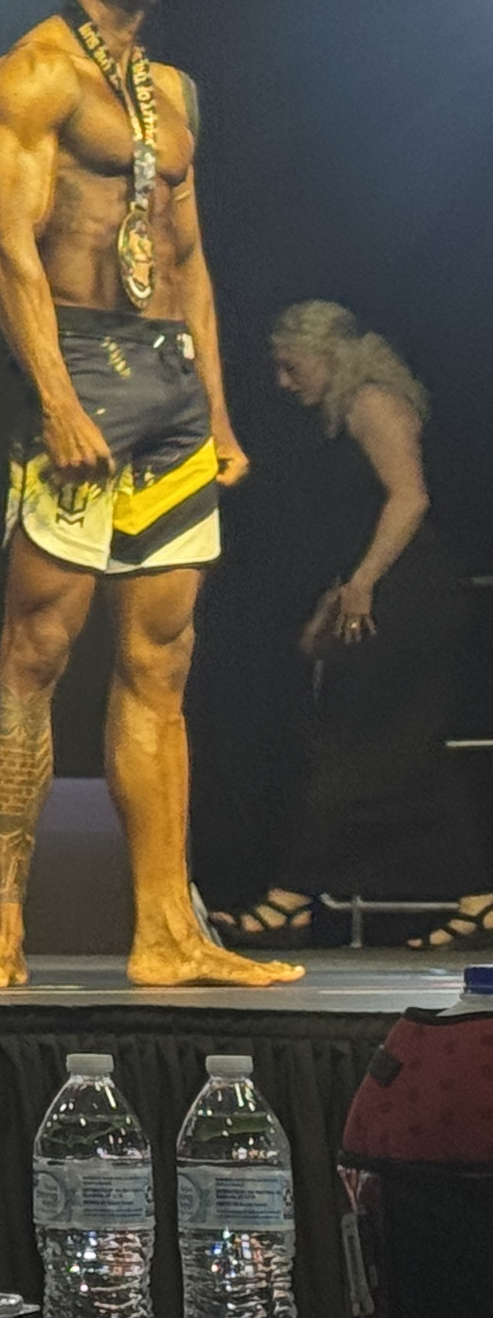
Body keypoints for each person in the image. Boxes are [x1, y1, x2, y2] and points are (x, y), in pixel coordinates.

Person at [0, 0, 292, 990]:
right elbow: (4, 249)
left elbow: (189, 260)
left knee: (159, 664)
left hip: (170, 388)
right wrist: (54, 399)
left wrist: (219, 412)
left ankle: (166, 931)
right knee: (36, 652)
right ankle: (2, 927)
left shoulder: (170, 90)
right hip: (81, 367)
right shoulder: (33, 75)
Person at [210, 303, 485, 949]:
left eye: (291, 366)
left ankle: (290, 898)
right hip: (380, 586)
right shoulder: (345, 412)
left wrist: (362, 584)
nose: (283, 382)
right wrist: (334, 602)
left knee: (358, 745)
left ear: (327, 354)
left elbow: (410, 497)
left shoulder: (372, 402)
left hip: (408, 591)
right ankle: (481, 899)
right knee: (407, 752)